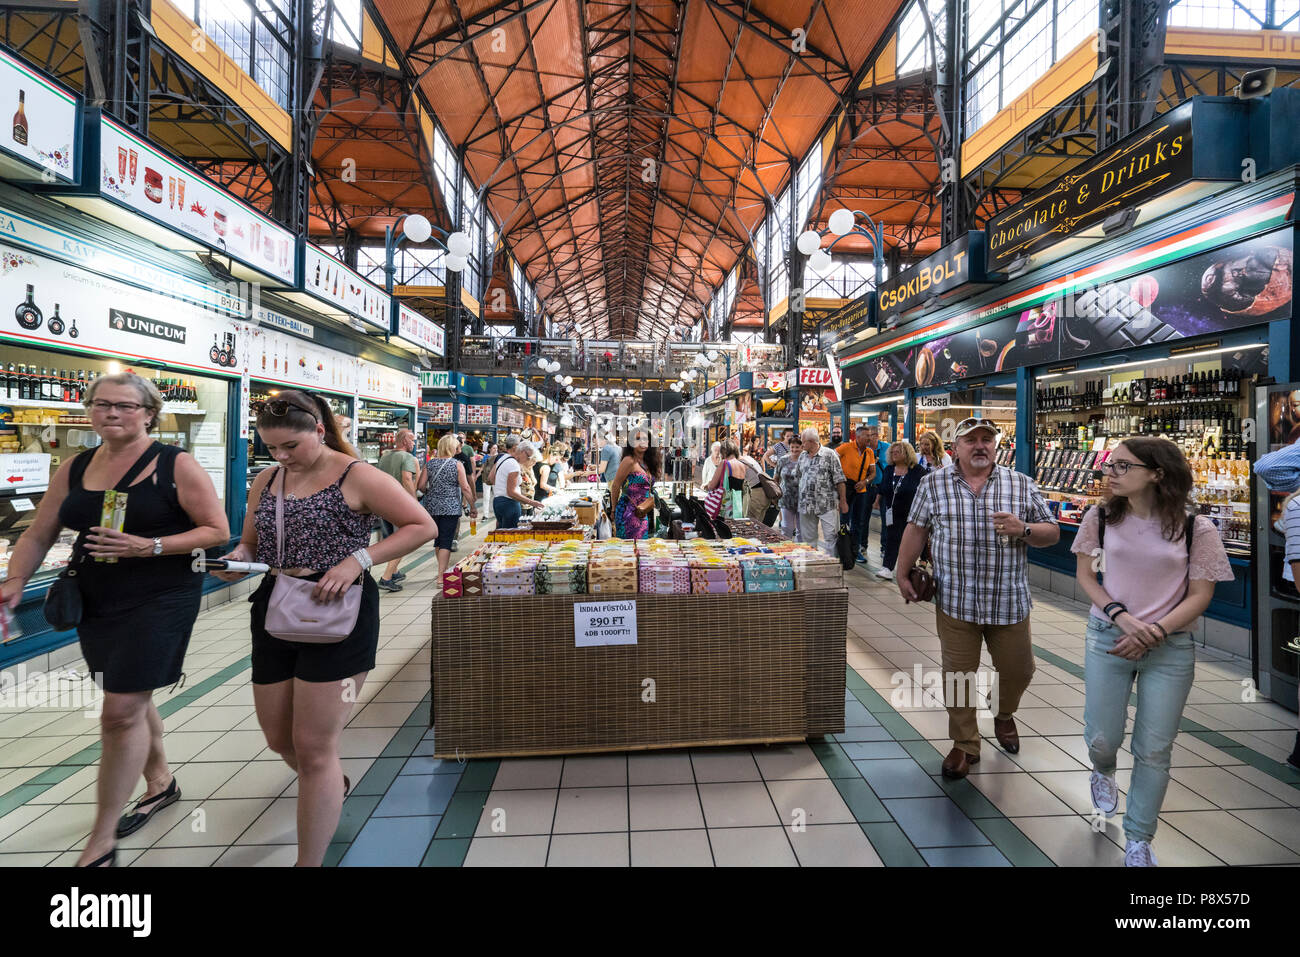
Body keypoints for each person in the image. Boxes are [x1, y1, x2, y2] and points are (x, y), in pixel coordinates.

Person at [0, 373, 229, 867]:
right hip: (95, 594)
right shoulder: (77, 466)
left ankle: (101, 842)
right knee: (125, 693)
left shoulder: (175, 465)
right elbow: (40, 531)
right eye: (101, 404)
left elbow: (217, 530)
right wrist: (16, 580)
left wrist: (152, 546)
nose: (112, 413)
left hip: (160, 596)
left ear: (149, 412)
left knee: (120, 709)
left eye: (125, 406)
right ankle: (161, 782)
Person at [211, 389, 435, 867]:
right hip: (276, 607)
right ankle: (331, 780)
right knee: (278, 738)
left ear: (318, 429)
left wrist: (359, 559)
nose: (281, 456)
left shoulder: (359, 476)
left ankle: (307, 859)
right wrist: (236, 561)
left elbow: (421, 525)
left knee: (314, 747)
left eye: (291, 445)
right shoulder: (268, 480)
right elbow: (252, 544)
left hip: (340, 612)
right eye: (271, 448)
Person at [1072, 437, 1234, 866]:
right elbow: (1086, 577)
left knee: (1155, 748)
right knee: (1104, 736)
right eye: (1110, 464)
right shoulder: (1101, 517)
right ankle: (1102, 769)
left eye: (1123, 466)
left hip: (1171, 645)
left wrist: (1156, 630)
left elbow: (1201, 594)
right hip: (1109, 635)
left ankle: (1139, 838)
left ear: (1157, 473)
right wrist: (1121, 617)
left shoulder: (1197, 527)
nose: (1110, 471)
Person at [894, 417, 1059, 781]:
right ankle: (965, 745)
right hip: (956, 600)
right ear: (956, 447)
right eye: (972, 440)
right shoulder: (933, 484)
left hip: (1008, 599)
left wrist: (1024, 529)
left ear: (996, 445)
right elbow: (916, 528)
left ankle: (1002, 713)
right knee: (958, 677)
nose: (980, 445)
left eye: (988, 439)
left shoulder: (1020, 484)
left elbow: (1052, 532)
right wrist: (901, 571)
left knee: (1019, 670)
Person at [419, 434, 478, 584]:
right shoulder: (457, 464)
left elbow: (420, 486)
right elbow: (465, 487)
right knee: (446, 541)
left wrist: (430, 493)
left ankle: (442, 570)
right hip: (450, 507)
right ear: (452, 447)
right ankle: (441, 576)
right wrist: (472, 505)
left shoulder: (430, 464)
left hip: (432, 507)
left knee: (438, 540)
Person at [875, 440, 927, 581]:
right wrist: (877, 501)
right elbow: (882, 488)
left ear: (907, 453)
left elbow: (925, 491)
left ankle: (909, 569)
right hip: (892, 511)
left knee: (910, 541)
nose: (894, 454)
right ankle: (887, 567)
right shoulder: (889, 470)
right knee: (891, 538)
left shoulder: (917, 471)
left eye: (898, 452)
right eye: (892, 452)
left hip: (912, 512)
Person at [374, 428, 418, 592]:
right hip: (400, 505)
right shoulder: (406, 457)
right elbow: (407, 479)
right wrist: (414, 502)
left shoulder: (385, 456)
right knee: (403, 542)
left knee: (391, 539)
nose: (414, 444)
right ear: (405, 441)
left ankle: (395, 571)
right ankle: (386, 578)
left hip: (383, 504)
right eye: (412, 440)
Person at [795, 428, 849, 556]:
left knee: (831, 537)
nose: (801, 445)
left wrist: (843, 501)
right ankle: (811, 563)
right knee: (808, 539)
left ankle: (832, 564)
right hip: (806, 504)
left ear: (812, 441)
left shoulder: (830, 455)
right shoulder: (802, 456)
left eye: (803, 442)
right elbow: (799, 476)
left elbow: (840, 480)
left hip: (826, 504)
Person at [610, 428, 662, 540]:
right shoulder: (629, 460)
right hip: (627, 512)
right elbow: (615, 486)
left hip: (642, 511)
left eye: (645, 439)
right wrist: (613, 510)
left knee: (641, 547)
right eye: (638, 439)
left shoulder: (648, 462)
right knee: (629, 549)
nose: (642, 442)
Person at [836, 426, 878, 565]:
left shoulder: (870, 452)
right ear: (858, 437)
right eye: (867, 435)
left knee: (858, 522)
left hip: (861, 491)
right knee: (844, 521)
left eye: (871, 435)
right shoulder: (845, 448)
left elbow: (873, 473)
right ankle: (842, 550)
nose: (869, 438)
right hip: (845, 490)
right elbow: (831, 461)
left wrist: (865, 481)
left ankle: (855, 550)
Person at [492, 440, 544, 528]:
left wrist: (501, 486)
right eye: (528, 457)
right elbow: (511, 492)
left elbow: (491, 478)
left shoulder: (503, 458)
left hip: (498, 502)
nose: (528, 460)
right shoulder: (514, 465)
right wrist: (532, 502)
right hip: (509, 504)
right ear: (523, 452)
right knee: (511, 535)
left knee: (502, 534)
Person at [704, 440, 748, 518]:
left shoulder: (724, 463)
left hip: (725, 505)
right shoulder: (743, 465)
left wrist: (707, 485)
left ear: (724, 451)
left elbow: (711, 486)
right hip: (737, 504)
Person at [774, 433, 804, 540]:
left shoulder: (806, 460)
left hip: (803, 499)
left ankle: (801, 553)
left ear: (802, 447)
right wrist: (776, 494)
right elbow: (776, 478)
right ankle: (786, 550)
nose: (794, 449)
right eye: (792, 447)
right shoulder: (783, 460)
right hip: (786, 498)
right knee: (786, 528)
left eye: (797, 447)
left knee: (802, 530)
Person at [738, 446, 771, 522]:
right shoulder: (747, 458)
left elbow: (738, 481)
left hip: (757, 494)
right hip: (765, 493)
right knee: (759, 524)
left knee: (751, 522)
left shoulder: (741, 463)